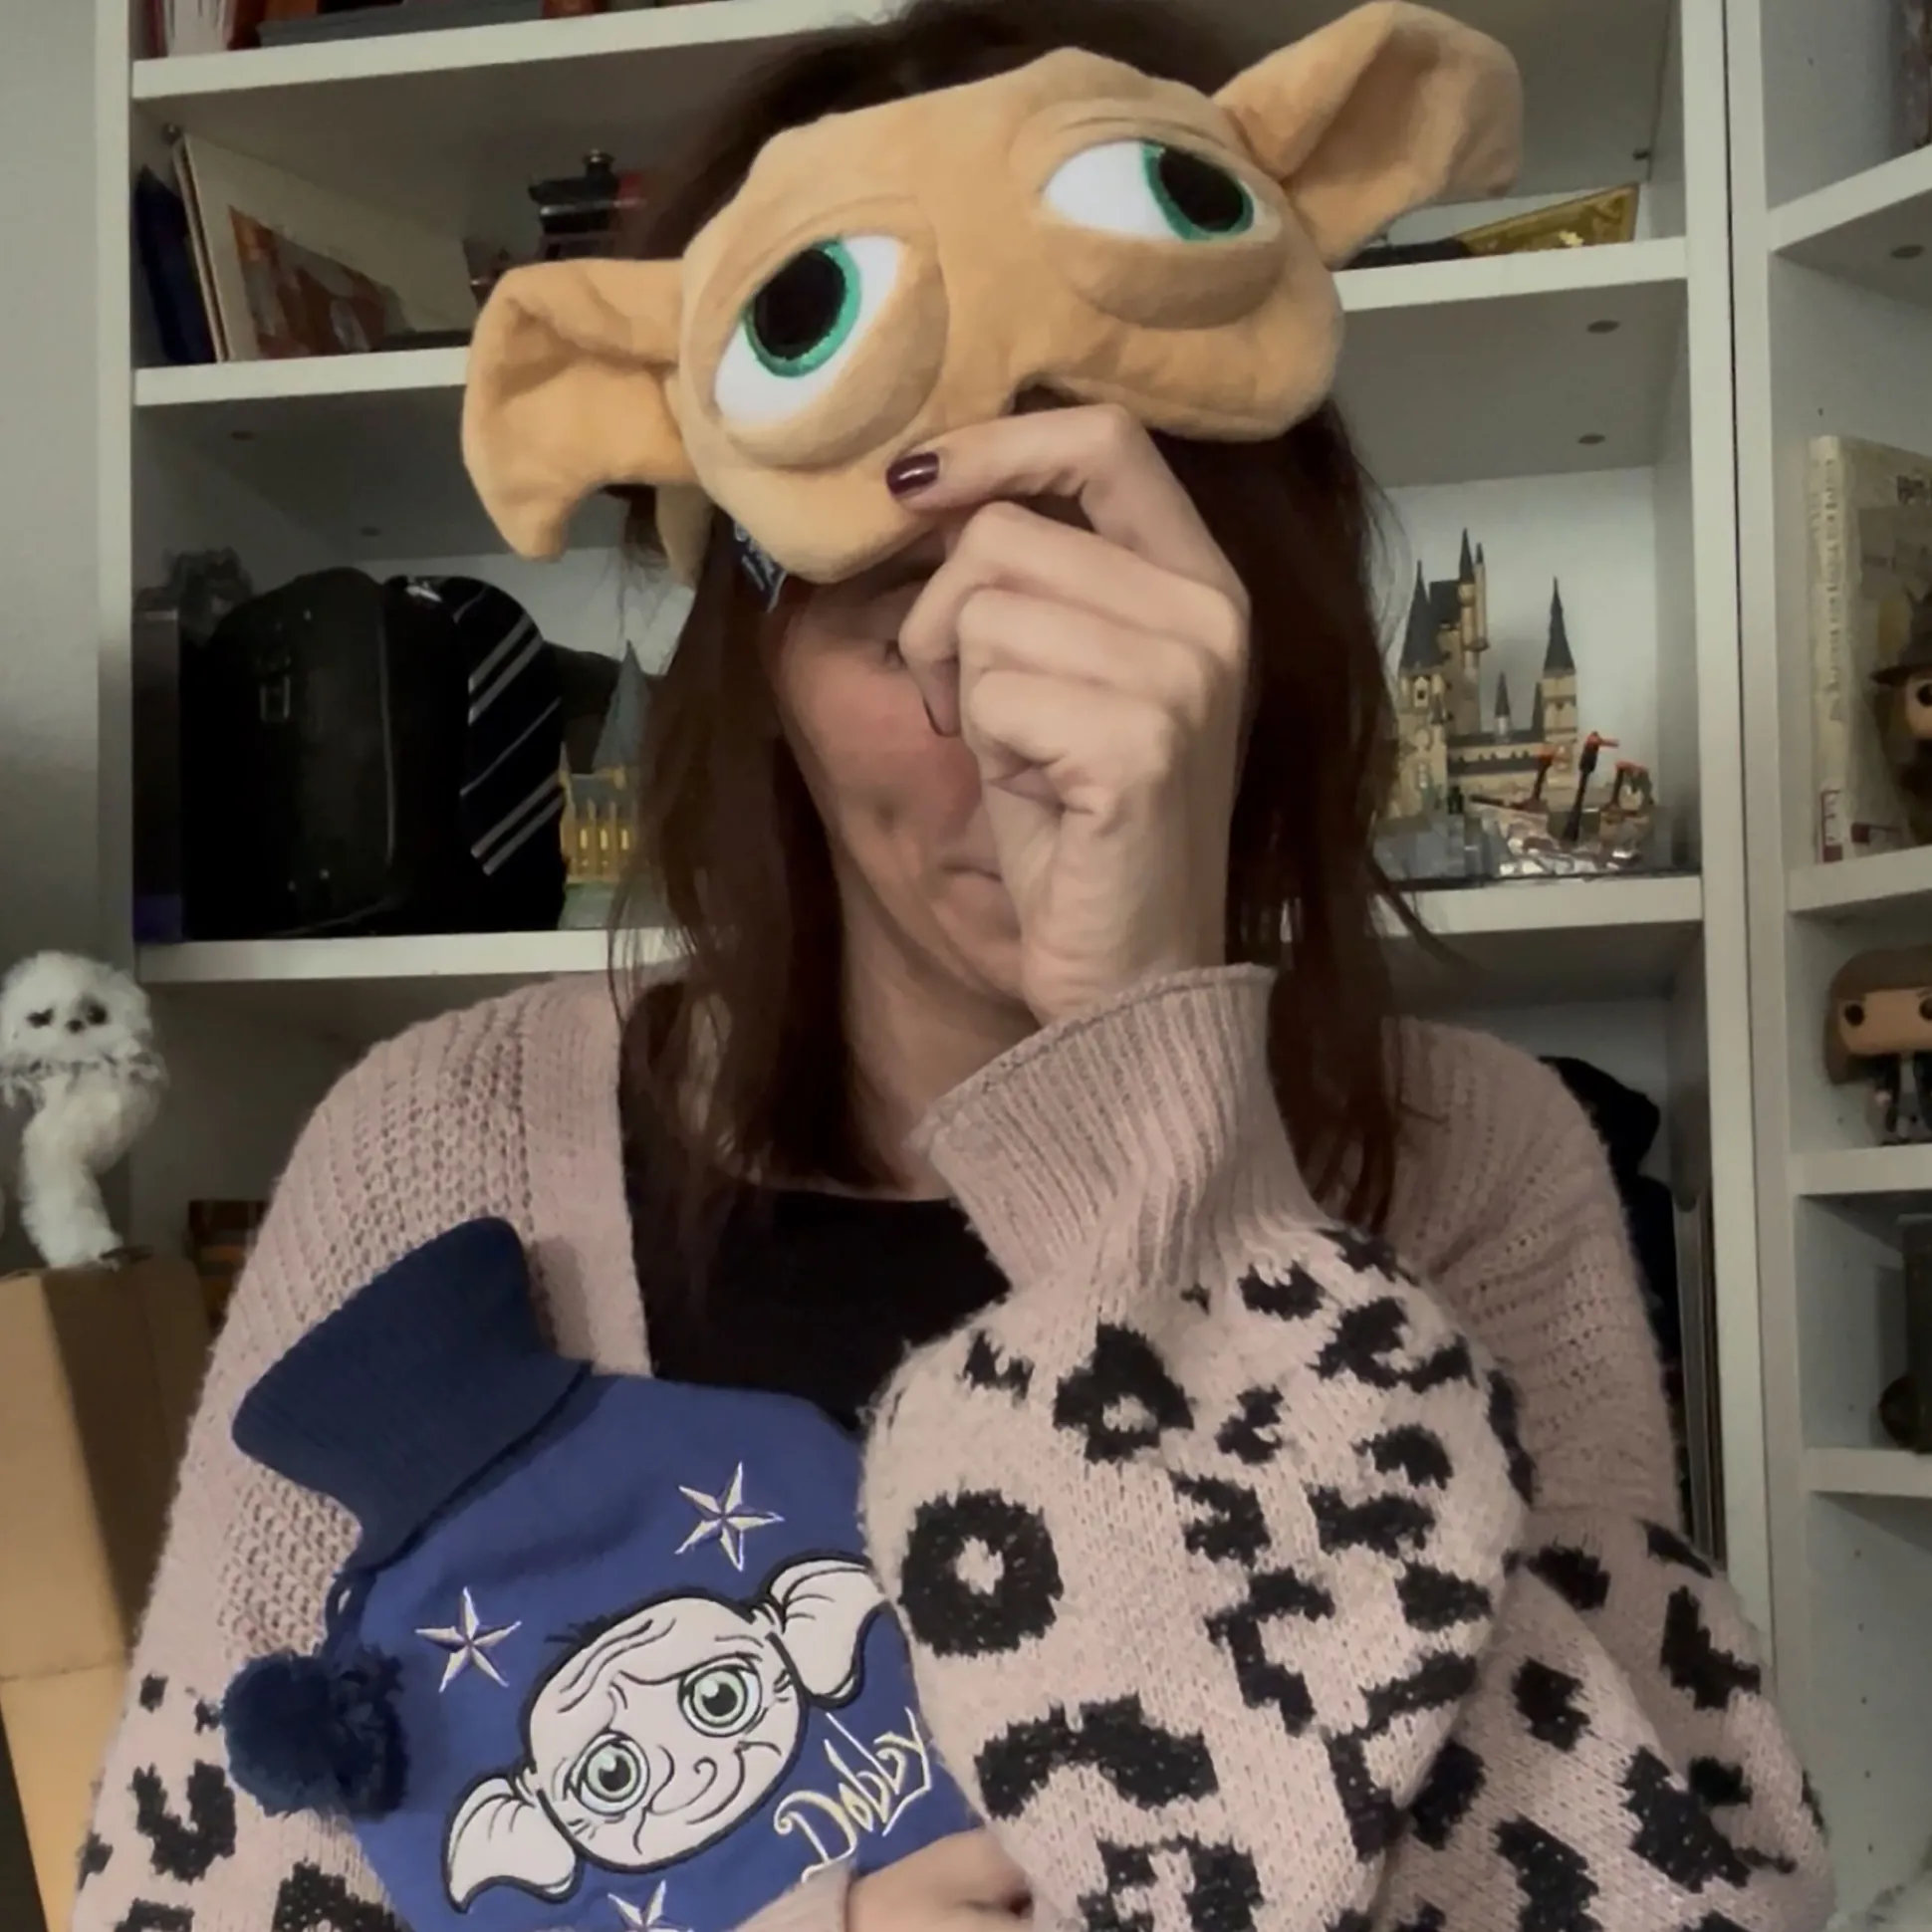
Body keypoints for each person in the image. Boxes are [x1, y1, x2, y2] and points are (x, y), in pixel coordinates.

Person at [74, 4, 1831, 1931]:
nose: (1034, 725)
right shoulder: (435, 1151)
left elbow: (1670, 1893)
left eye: (1127, 583)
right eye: (909, 600)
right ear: (758, 679)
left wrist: (1154, 1116)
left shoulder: (1478, 1163)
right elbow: (200, 1892)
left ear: (1274, 639)